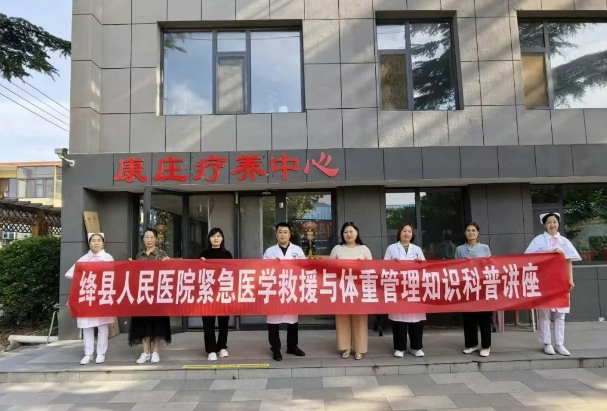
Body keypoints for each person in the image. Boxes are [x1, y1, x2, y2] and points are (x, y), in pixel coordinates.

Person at [525, 212, 579, 356]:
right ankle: (547, 343)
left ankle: (560, 343)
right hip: (544, 280)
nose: (552, 225)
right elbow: (529, 258)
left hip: (561, 281)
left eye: (554, 222)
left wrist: (570, 280)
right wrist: (549, 252)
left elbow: (569, 261)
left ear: (558, 223)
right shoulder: (538, 241)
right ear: (544, 225)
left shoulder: (564, 241)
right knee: (544, 313)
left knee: (561, 313)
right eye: (549, 222)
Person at [65, 233, 115, 365]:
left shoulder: (108, 258)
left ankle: (101, 353)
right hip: (87, 296)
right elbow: (75, 280)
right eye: (93, 240)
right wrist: (71, 298)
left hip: (102, 296)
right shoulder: (83, 259)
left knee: (102, 326)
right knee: (87, 326)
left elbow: (114, 277)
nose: (96, 243)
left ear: (103, 243)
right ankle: (88, 353)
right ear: (89, 243)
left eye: (99, 240)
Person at [262, 222, 307, 361]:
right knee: (273, 320)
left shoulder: (297, 250)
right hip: (275, 289)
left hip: (291, 288)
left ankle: (292, 346)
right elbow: (263, 269)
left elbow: (304, 267)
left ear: (290, 234)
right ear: (276, 234)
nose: (282, 235)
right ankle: (275, 348)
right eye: (280, 232)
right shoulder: (270, 251)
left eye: (285, 232)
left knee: (292, 319)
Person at [128, 228, 172, 364]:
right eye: (146, 237)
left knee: (157, 324)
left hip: (158, 294)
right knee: (143, 323)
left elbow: (168, 273)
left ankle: (155, 352)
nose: (149, 240)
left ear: (156, 239)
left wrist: (169, 263)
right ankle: (145, 352)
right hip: (143, 295)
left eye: (151, 237)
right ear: (143, 239)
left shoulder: (162, 254)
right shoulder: (139, 255)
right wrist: (130, 266)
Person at [330, 222, 372, 360]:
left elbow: (372, 269)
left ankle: (359, 348)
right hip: (341, 288)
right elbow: (329, 269)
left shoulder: (364, 249)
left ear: (356, 233)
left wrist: (363, 265)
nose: (348, 234)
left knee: (360, 319)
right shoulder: (337, 249)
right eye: (345, 232)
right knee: (342, 318)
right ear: (342, 234)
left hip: (359, 289)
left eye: (351, 231)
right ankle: (346, 347)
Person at [384, 223, 426, 358]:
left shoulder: (417, 249)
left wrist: (420, 263)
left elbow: (426, 269)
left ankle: (416, 347)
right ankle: (399, 347)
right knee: (399, 320)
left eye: (409, 231)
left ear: (412, 234)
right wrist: (392, 264)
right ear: (399, 233)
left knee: (416, 320)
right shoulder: (391, 248)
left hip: (414, 288)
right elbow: (384, 267)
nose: (406, 233)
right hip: (398, 289)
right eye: (404, 231)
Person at [455, 222, 492, 357]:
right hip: (467, 287)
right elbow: (454, 267)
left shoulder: (485, 247)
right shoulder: (459, 249)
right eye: (468, 230)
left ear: (478, 233)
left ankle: (486, 346)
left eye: (473, 230)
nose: (471, 232)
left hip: (482, 288)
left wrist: (487, 261)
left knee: (484, 318)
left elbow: (491, 266)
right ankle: (471, 344)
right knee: (469, 318)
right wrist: (462, 263)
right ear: (465, 233)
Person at [200, 228, 233, 361]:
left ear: (222, 238)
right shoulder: (204, 254)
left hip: (223, 291)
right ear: (209, 238)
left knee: (223, 321)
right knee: (208, 321)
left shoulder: (227, 254)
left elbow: (232, 271)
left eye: (218, 236)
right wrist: (200, 263)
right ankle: (211, 349)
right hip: (207, 292)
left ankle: (222, 347)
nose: (216, 238)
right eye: (213, 236)